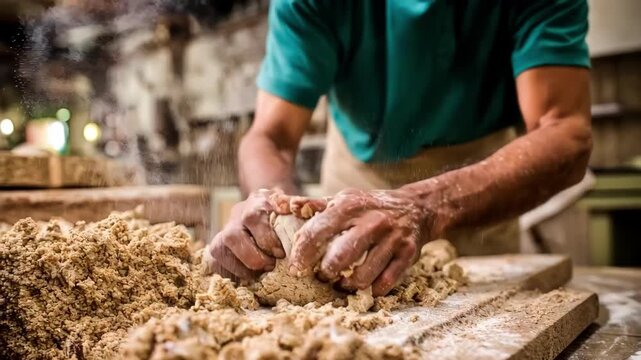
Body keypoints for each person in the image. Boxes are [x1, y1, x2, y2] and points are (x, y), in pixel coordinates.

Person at [205, 0, 592, 297]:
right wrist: (271, 205)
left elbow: (566, 133)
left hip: (479, 188)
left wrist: (426, 206)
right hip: (356, 172)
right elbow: (269, 136)